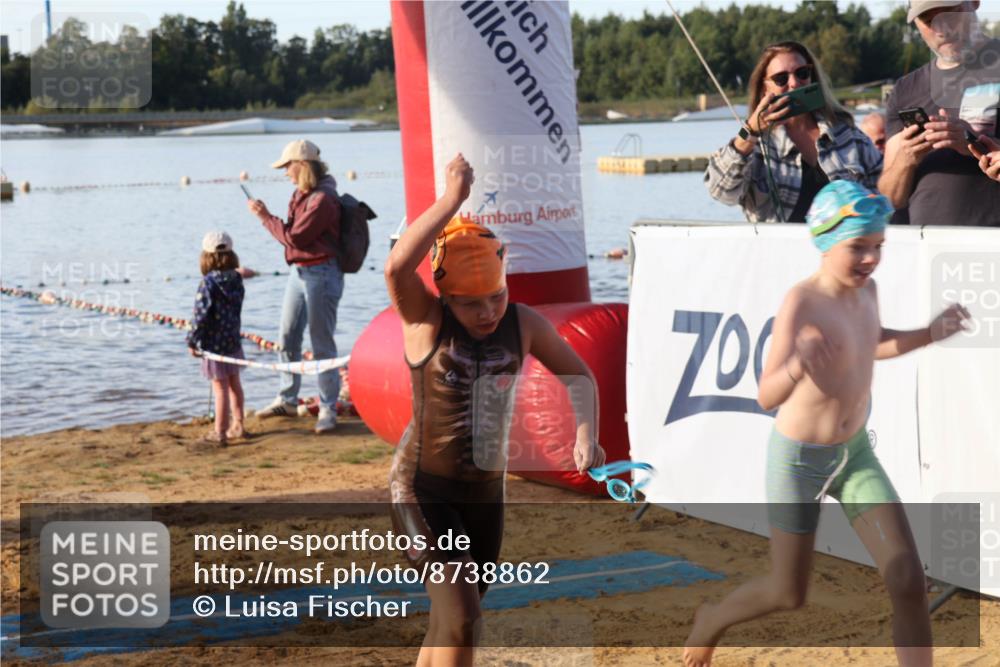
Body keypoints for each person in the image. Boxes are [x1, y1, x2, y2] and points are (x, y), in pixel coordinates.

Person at [683, 181, 971, 667]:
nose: (871, 259)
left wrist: (929, 332)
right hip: (798, 461)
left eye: (878, 246)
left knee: (906, 576)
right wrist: (798, 363)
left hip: (855, 455)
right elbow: (766, 394)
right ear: (825, 240)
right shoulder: (803, 301)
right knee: (787, 592)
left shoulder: (868, 291)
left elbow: (873, 343)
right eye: (858, 247)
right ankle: (711, 619)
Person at [384, 154, 606, 666]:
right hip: (422, 491)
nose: (487, 312)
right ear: (446, 296)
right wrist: (451, 200)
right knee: (463, 620)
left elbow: (579, 376)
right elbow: (397, 266)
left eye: (497, 296)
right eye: (470, 303)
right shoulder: (425, 320)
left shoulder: (524, 324)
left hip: (485, 495)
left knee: (451, 624)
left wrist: (584, 435)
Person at [705, 41, 883, 223]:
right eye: (781, 78)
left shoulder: (846, 134)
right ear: (764, 88)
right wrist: (749, 131)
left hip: (840, 247)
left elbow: (883, 191)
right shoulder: (756, 147)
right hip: (779, 248)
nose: (794, 83)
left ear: (813, 78)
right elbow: (721, 192)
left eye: (802, 73)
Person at [248, 139, 345, 433]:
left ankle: (328, 408)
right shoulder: (302, 195)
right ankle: (288, 398)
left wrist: (265, 218)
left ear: (302, 166)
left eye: (288, 166)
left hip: (323, 274)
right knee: (287, 336)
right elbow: (293, 237)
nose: (285, 173)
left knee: (321, 344)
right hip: (299, 273)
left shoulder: (323, 200)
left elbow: (296, 238)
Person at [879, 0, 1000, 226]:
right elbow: (890, 199)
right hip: (925, 249)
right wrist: (907, 159)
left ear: (974, 2)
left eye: (950, 14)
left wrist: (972, 144)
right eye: (928, 21)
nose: (942, 29)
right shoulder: (904, 89)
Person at [187, 231, 247, 446]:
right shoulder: (237, 279)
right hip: (232, 340)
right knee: (234, 384)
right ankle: (238, 424)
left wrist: (192, 340)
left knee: (219, 388)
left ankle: (219, 432)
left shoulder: (207, 283)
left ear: (207, 256)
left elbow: (200, 314)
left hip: (214, 345)